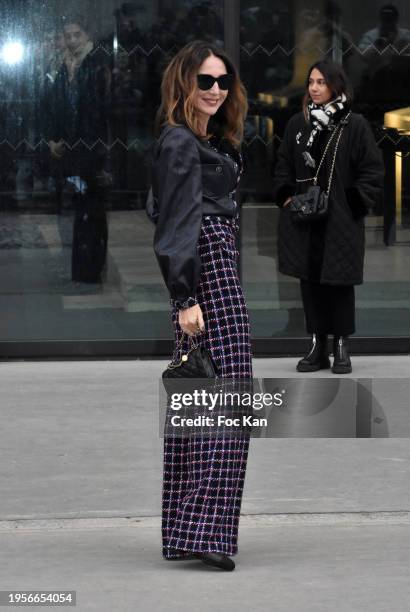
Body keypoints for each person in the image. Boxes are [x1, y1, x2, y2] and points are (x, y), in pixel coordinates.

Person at [151, 40, 251, 571]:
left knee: (202, 399)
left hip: (214, 268)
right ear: (184, 82)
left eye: (223, 81)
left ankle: (191, 529)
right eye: (205, 80)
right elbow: (174, 222)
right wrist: (186, 296)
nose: (216, 90)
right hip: (204, 276)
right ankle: (205, 530)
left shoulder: (210, 142)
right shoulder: (180, 143)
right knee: (227, 400)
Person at [273, 59, 384, 374]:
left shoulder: (354, 124)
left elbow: (372, 170)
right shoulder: (298, 123)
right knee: (310, 284)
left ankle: (341, 346)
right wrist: (285, 197)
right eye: (311, 82)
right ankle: (317, 346)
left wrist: (353, 204)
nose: (314, 88)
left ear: (336, 85)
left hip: (339, 220)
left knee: (339, 283)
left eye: (321, 82)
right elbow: (282, 163)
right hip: (304, 220)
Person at [46, 15, 111, 283]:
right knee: (75, 207)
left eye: (77, 34)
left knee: (91, 207)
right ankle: (81, 269)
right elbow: (54, 105)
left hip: (90, 145)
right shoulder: (63, 66)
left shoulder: (95, 63)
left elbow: (99, 107)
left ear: (86, 36)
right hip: (71, 146)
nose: (72, 40)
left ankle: (91, 268)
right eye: (68, 35)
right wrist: (54, 138)